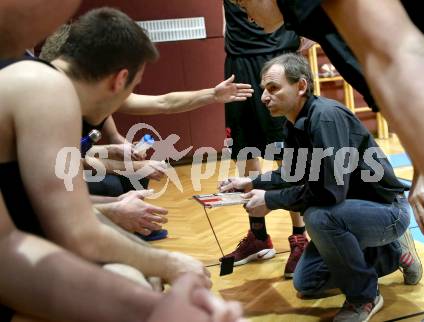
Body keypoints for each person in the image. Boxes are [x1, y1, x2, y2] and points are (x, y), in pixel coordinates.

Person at [0, 2, 243, 322]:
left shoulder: (43, 82)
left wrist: (108, 209)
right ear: (121, 79)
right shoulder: (46, 87)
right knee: (137, 275)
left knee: (142, 273)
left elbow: (22, 208)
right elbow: (77, 234)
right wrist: (171, 263)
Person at [219, 53, 422, 321]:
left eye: (273, 88)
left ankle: (364, 296)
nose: (264, 98)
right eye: (263, 90)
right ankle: (393, 254)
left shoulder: (325, 118)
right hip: (351, 212)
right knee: (307, 283)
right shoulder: (293, 122)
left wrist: (270, 200)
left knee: (318, 216)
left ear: (301, 86)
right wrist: (250, 182)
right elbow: (292, 173)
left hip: (387, 212)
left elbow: (329, 191)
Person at [222, 0, 308, 278]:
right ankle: (258, 235)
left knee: (288, 154)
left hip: (276, 56)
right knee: (245, 151)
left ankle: (300, 238)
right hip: (238, 60)